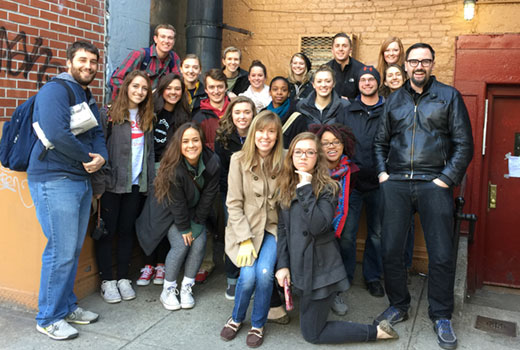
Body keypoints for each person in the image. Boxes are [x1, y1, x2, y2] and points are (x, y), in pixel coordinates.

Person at [373, 43, 474, 350]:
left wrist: (446, 179)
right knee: (390, 250)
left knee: (441, 254)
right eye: (413, 61)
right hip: (397, 183)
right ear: (405, 65)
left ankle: (441, 315)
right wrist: (383, 176)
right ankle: (399, 305)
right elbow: (380, 143)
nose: (419, 66)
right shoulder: (393, 101)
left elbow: (464, 145)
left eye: (425, 61)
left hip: (434, 183)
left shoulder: (449, 96)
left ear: (432, 64)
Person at [274, 132, 398, 345]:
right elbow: (283, 229)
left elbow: (317, 226)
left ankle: (376, 332)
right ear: (291, 155)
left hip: (322, 270)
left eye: (310, 152)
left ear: (318, 157)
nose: (303, 156)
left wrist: (305, 188)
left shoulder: (329, 188)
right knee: (310, 323)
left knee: (312, 334)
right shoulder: (284, 185)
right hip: (300, 266)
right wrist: (283, 265)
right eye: (298, 152)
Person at [28, 41, 107, 340]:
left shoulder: (87, 95)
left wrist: (102, 157)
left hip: (78, 179)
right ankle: (48, 317)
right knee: (60, 251)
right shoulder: (55, 90)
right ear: (69, 61)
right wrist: (88, 158)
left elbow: (97, 132)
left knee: (72, 250)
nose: (88, 66)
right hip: (54, 178)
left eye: (93, 62)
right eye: (83, 60)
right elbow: (56, 133)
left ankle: (66, 306)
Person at [136, 122, 220, 310]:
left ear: (202, 141)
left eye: (195, 140)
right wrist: (184, 228)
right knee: (182, 244)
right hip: (169, 211)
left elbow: (208, 197)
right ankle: (169, 288)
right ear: (179, 145)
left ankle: (186, 287)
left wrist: (197, 223)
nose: (191, 145)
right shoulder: (173, 167)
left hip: (195, 209)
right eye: (186, 141)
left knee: (199, 242)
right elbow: (177, 203)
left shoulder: (212, 162)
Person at [220, 111, 284, 348]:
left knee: (265, 273)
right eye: (260, 130)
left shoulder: (285, 159)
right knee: (247, 277)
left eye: (271, 131)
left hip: (273, 228)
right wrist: (244, 239)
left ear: (277, 136)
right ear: (253, 133)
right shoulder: (238, 159)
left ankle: (258, 323)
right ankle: (236, 318)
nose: (265, 136)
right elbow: (233, 204)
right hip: (244, 230)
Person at [92, 70, 155, 303]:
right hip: (110, 185)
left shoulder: (147, 117)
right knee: (107, 233)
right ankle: (107, 281)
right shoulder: (108, 114)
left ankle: (123, 279)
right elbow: (99, 150)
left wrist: (148, 185)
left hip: (135, 185)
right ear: (126, 87)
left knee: (127, 232)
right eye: (135, 86)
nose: (139, 91)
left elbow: (147, 155)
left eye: (144, 88)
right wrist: (99, 185)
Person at [135, 73, 191, 287]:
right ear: (161, 89)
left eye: (178, 89)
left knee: (166, 219)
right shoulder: (150, 112)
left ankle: (161, 264)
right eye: (170, 88)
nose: (174, 92)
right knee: (148, 217)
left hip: (172, 173)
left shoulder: (184, 116)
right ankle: (147, 264)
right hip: (148, 172)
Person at [337, 66, 386, 298]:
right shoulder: (348, 111)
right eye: (363, 80)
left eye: (371, 80)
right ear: (358, 84)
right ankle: (345, 276)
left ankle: (373, 276)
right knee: (347, 234)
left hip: (380, 182)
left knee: (377, 235)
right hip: (352, 183)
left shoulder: (388, 110)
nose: (367, 83)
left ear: (378, 82)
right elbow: (338, 141)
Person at [310, 123, 358, 316]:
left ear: (343, 144)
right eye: (326, 143)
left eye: (336, 142)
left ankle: (338, 290)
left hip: (342, 216)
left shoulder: (351, 170)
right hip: (317, 217)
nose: (331, 147)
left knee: (346, 241)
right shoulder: (311, 169)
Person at [214, 96, 257, 300]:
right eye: (237, 112)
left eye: (247, 112)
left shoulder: (259, 135)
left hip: (256, 194)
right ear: (231, 114)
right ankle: (232, 279)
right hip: (231, 193)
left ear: (253, 114)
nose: (242, 116)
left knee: (255, 232)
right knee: (233, 232)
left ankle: (252, 276)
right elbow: (221, 170)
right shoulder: (223, 137)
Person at [109, 24, 181, 100]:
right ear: (155, 39)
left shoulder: (174, 58)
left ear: (174, 41)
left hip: (154, 107)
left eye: (170, 38)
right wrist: (134, 94)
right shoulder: (140, 54)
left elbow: (177, 84)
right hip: (131, 104)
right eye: (163, 37)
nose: (166, 41)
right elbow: (116, 79)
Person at [193, 69, 231, 151]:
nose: (216, 91)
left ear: (226, 88)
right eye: (211, 87)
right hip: (211, 162)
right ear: (206, 90)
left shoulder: (235, 112)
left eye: (220, 87)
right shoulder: (199, 117)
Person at [326, 33, 364, 100]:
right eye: (337, 46)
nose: (341, 49)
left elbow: (366, 95)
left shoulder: (361, 69)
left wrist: (349, 101)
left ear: (350, 49)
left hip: (355, 109)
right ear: (332, 50)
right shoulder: (325, 70)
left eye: (344, 46)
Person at [264, 76, 298, 148]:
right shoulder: (263, 113)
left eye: (284, 90)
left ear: (289, 93)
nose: (279, 92)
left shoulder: (296, 115)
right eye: (275, 89)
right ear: (270, 92)